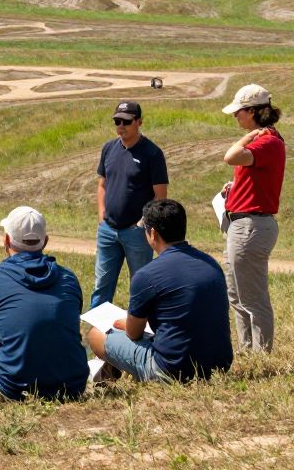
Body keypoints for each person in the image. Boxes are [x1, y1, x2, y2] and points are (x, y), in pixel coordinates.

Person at [0, 206, 88, 403]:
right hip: (73, 388)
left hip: (15, 392)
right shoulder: (68, 278)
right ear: (45, 241)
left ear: (7, 240)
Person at [88, 199, 233, 381]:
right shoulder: (211, 264)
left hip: (172, 370)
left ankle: (107, 376)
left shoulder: (147, 275)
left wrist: (123, 322)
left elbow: (134, 333)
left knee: (96, 334)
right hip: (219, 365)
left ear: (153, 233)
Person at [221, 83, 285, 353]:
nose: (236, 116)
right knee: (236, 294)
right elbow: (257, 177)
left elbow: (230, 156)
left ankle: (262, 354)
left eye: (239, 111)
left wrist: (247, 138)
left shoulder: (267, 141)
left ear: (253, 112)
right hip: (242, 223)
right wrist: (235, 189)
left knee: (253, 297)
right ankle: (247, 350)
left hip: (251, 226)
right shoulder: (263, 141)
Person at [91, 100, 168, 309]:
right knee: (101, 285)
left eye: (126, 121)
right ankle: (97, 334)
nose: (121, 126)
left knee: (141, 286)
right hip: (108, 229)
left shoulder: (152, 153)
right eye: (117, 121)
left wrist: (141, 224)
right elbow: (102, 184)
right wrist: (101, 216)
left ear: (139, 122)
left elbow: (160, 196)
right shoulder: (109, 148)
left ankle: (142, 332)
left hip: (137, 233)